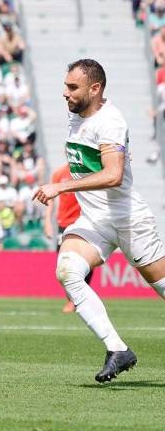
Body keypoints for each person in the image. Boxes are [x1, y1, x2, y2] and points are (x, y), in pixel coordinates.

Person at [33, 59, 165, 383]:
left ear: (95, 89)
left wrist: (60, 186)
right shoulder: (76, 116)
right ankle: (117, 349)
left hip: (128, 219)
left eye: (72, 87)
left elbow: (114, 175)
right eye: (66, 85)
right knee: (67, 270)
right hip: (95, 219)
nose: (65, 93)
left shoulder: (111, 121)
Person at [43, 163, 86, 314]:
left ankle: (76, 300)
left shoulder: (86, 170)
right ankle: (72, 299)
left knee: (86, 263)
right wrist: (47, 221)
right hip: (64, 224)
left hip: (83, 222)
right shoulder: (59, 173)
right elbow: (50, 199)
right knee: (63, 264)